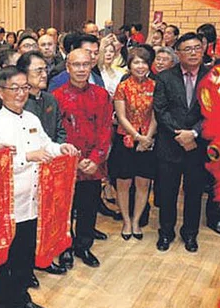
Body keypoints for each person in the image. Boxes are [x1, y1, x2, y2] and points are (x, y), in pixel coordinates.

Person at [0, 67, 78, 308]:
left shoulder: (33, 118)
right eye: (14, 88)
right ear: (0, 92)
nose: (20, 93)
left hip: (32, 201)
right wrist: (26, 157)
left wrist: (60, 148)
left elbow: (45, 145)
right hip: (7, 205)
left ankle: (21, 297)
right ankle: (4, 305)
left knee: (24, 255)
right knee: (5, 259)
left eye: (24, 87)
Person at [52, 48, 112, 268]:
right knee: (65, 210)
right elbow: (55, 134)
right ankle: (65, 248)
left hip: (93, 165)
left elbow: (106, 130)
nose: (81, 69)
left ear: (91, 66)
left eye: (85, 64)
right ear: (68, 67)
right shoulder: (56, 97)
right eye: (76, 65)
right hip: (66, 164)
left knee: (88, 207)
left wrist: (95, 159)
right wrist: (73, 161)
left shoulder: (101, 95)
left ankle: (83, 246)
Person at [153, 33, 209, 253]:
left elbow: (215, 110)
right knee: (167, 193)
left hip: (197, 145)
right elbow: (161, 110)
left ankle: (190, 233)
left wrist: (193, 133)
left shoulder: (212, 77)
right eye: (188, 49)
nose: (193, 53)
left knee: (194, 193)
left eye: (197, 48)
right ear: (178, 53)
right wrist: (181, 135)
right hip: (170, 144)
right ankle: (166, 232)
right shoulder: (165, 77)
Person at [18, 50, 69, 276]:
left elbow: (59, 130)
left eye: (45, 69)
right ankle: (27, 269)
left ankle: (45, 258)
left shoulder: (50, 99)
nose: (44, 74)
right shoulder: (20, 105)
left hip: (51, 166)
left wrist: (58, 151)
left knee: (48, 216)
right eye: (38, 70)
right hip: (27, 170)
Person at [110, 47, 157, 240]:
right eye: (136, 62)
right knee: (123, 183)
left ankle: (136, 221)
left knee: (143, 184)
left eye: (144, 62)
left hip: (148, 141)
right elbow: (121, 117)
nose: (140, 66)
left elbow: (156, 115)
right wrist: (138, 136)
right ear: (129, 65)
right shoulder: (123, 87)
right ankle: (126, 222)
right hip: (126, 140)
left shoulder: (155, 86)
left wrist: (147, 138)